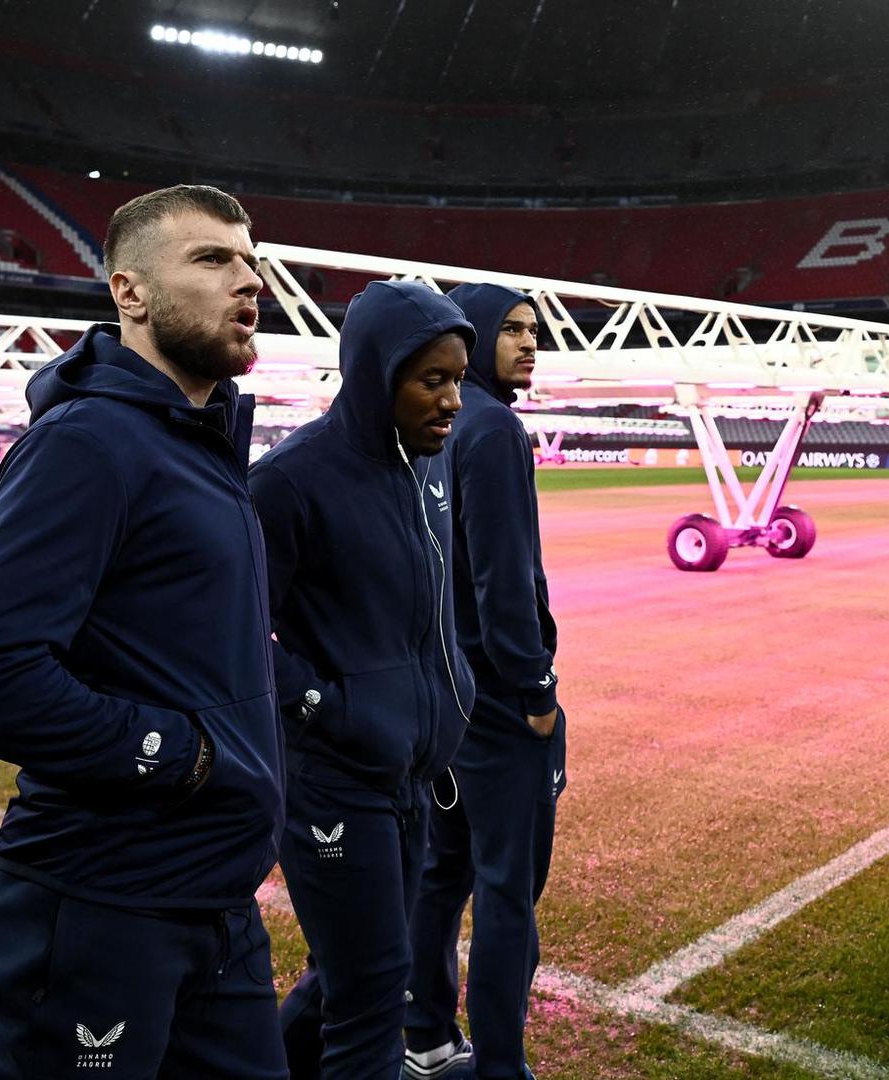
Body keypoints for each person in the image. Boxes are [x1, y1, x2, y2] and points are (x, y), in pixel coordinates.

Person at [0, 185, 286, 1079]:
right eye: (213, 260)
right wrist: (179, 755)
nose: (249, 281)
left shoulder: (198, 445)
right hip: (102, 900)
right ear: (129, 293)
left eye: (251, 260)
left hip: (213, 900)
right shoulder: (88, 443)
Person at [250, 280, 477, 1079]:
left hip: (412, 772)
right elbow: (237, 634)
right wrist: (328, 704)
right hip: (334, 781)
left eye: (457, 379)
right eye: (432, 381)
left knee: (355, 974)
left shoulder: (431, 464)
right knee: (372, 999)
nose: (453, 401)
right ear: (378, 373)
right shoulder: (290, 479)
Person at [404, 285, 566, 1080]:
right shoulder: (495, 427)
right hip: (501, 706)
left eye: (534, 330)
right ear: (471, 338)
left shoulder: (439, 421)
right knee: (507, 894)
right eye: (511, 329)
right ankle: (501, 1066)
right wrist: (536, 691)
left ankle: (426, 1032)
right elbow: (504, 579)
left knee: (441, 874)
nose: (529, 343)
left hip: (446, 700)